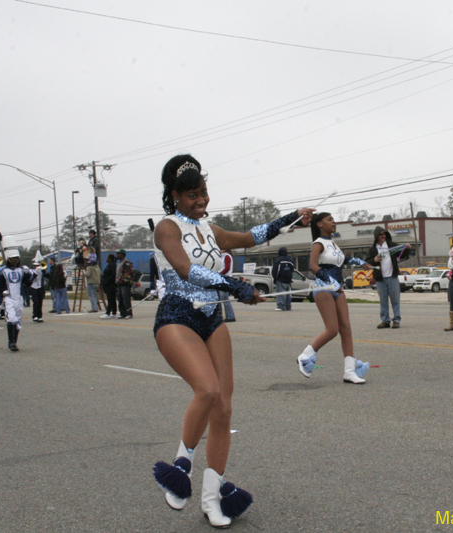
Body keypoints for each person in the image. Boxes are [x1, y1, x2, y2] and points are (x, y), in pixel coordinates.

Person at [150, 154, 312, 527]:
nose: (201, 200)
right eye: (192, 195)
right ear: (175, 195)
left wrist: (292, 218)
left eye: (204, 192)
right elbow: (184, 269)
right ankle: (181, 469)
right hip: (177, 315)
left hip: (212, 318)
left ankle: (212, 499)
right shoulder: (167, 228)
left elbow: (252, 237)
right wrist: (233, 285)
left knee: (223, 408)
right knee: (206, 390)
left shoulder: (211, 228)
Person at [296, 212, 371, 384]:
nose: (334, 222)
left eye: (333, 219)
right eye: (329, 220)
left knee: (346, 328)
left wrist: (360, 262)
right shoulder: (318, 243)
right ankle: (305, 355)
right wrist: (330, 281)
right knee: (332, 329)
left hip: (337, 288)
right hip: (323, 288)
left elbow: (343, 259)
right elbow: (313, 266)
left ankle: (350, 372)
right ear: (319, 224)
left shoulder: (333, 244)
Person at [365, 226, 410, 329]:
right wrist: (374, 260)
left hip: (392, 277)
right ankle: (385, 320)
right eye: (381, 234)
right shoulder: (372, 250)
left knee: (395, 299)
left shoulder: (392, 246)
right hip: (380, 278)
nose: (383, 236)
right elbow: (367, 263)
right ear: (376, 236)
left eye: (384, 234)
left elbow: (402, 254)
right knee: (383, 300)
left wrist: (407, 249)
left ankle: (396, 320)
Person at [0, 238, 33, 351]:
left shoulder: (21, 270)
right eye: (12, 259)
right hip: (8, 298)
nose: (14, 260)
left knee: (17, 320)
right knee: (11, 318)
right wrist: (1, 295)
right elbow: (0, 286)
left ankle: (14, 342)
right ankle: (11, 342)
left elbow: (27, 283)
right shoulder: (3, 271)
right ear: (8, 259)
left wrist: (30, 275)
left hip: (19, 298)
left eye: (16, 258)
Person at [272, 246, 294, 311]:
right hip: (288, 279)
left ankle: (281, 306)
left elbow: (275, 270)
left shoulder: (278, 260)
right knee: (288, 294)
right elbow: (292, 269)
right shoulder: (290, 260)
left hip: (281, 279)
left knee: (281, 293)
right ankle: (288, 306)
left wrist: (275, 278)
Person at [115, 249, 134, 319]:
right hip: (119, 283)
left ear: (122, 255)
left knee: (126, 298)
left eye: (118, 254)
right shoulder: (119, 263)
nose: (117, 255)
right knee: (120, 299)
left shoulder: (127, 263)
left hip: (125, 283)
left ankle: (129, 313)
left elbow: (127, 273)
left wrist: (121, 280)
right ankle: (122, 313)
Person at [100, 254, 118, 319]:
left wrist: (107, 281)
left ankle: (108, 313)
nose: (106, 259)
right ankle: (114, 312)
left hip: (111, 285)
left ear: (110, 259)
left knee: (111, 299)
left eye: (107, 258)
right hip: (108, 285)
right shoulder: (109, 265)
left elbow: (113, 275)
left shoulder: (113, 266)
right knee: (112, 299)